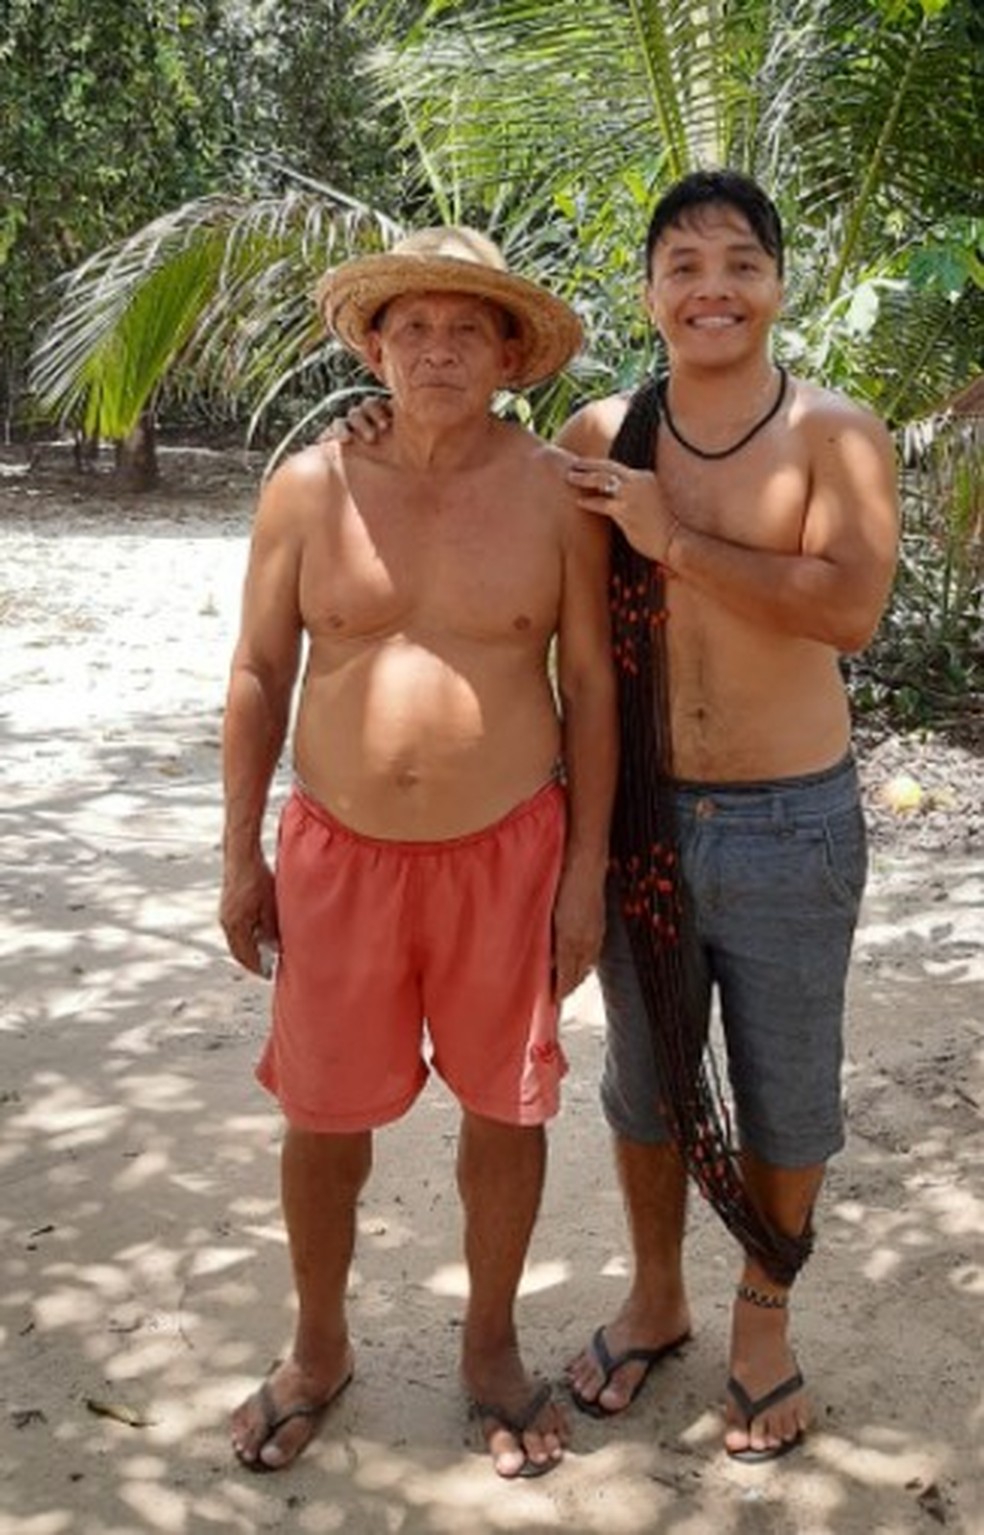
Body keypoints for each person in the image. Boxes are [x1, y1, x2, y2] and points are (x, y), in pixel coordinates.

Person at [335, 171, 899, 1464]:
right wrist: (386, 418)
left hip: (789, 815)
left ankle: (764, 1310)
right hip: (638, 811)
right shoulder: (595, 434)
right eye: (683, 264)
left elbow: (849, 608)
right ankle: (658, 1291)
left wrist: (678, 539)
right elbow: (469, 462)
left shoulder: (833, 433)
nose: (712, 286)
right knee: (645, 1086)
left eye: (739, 262)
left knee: (788, 1092)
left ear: (777, 283)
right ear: (649, 293)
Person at [219, 226, 617, 1480]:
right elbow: (258, 671)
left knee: (507, 1105)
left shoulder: (557, 491)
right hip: (337, 854)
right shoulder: (308, 488)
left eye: (466, 330)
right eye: (412, 327)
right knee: (322, 1115)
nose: (437, 349)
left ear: (509, 353)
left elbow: (594, 685)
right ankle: (318, 1342)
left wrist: (585, 872)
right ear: (374, 345)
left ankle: (491, 1346)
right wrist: (240, 853)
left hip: (509, 852)